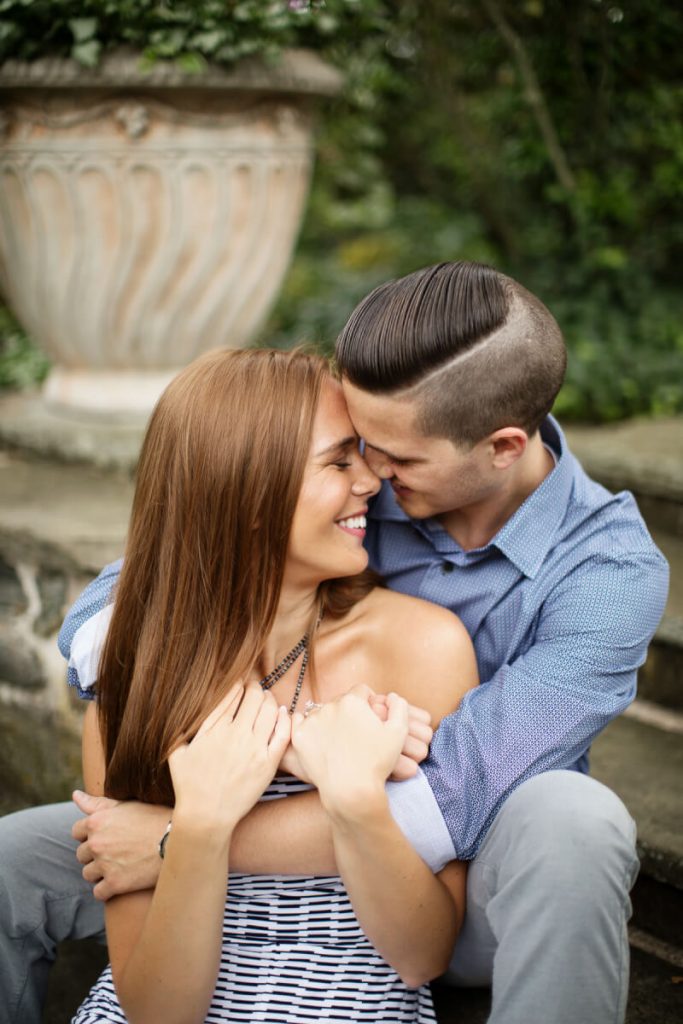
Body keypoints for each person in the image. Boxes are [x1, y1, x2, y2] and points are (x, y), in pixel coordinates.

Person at [0, 262, 669, 1024]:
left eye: (393, 458)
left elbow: (452, 800)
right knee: (13, 860)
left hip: (466, 866)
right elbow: (167, 565)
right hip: (261, 794)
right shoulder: (371, 473)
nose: (371, 478)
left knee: (574, 819)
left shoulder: (608, 575)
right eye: (354, 447)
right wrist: (209, 707)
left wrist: (182, 832)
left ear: (502, 446)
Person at [66, 346, 477, 1023]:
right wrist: (197, 828)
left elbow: (421, 955)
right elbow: (157, 1011)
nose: (370, 482)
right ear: (249, 495)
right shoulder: (138, 693)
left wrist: (351, 797)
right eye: (339, 461)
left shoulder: (418, 646)